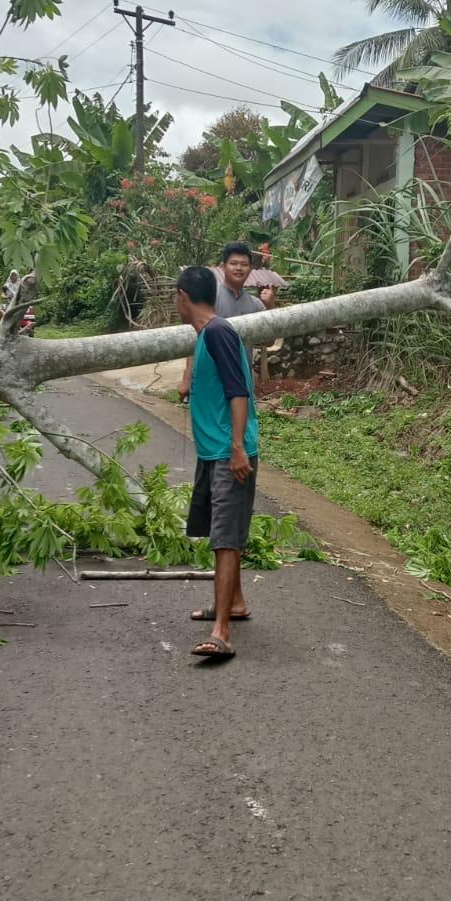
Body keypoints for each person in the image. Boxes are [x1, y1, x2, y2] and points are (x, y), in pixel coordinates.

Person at [176, 264, 259, 662]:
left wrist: (238, 447)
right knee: (218, 531)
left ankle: (221, 631)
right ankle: (234, 603)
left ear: (181, 296)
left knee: (225, 539)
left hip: (229, 452)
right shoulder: (204, 336)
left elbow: (238, 390)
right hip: (215, 450)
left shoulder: (218, 332)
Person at [177, 241, 273, 400]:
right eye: (233, 263)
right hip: (211, 380)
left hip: (242, 382)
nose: (239, 268)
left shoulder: (255, 304)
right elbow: (195, 338)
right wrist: (187, 379)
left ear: (250, 269)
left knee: (241, 423)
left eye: (244, 264)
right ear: (223, 266)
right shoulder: (210, 300)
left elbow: (269, 342)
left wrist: (270, 307)